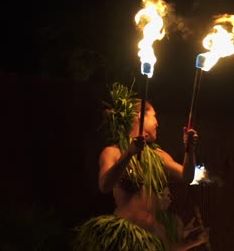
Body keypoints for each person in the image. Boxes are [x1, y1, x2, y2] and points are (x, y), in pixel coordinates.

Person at [73, 82, 206, 250]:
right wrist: (130, 153)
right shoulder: (112, 152)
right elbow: (104, 185)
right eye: (154, 116)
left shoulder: (159, 156)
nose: (158, 122)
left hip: (152, 239)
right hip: (125, 240)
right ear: (139, 116)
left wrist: (189, 149)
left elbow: (188, 177)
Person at [156, 186, 209, 251]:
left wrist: (182, 233)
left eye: (169, 196)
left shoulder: (174, 219)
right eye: (162, 195)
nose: (167, 199)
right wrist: (197, 242)